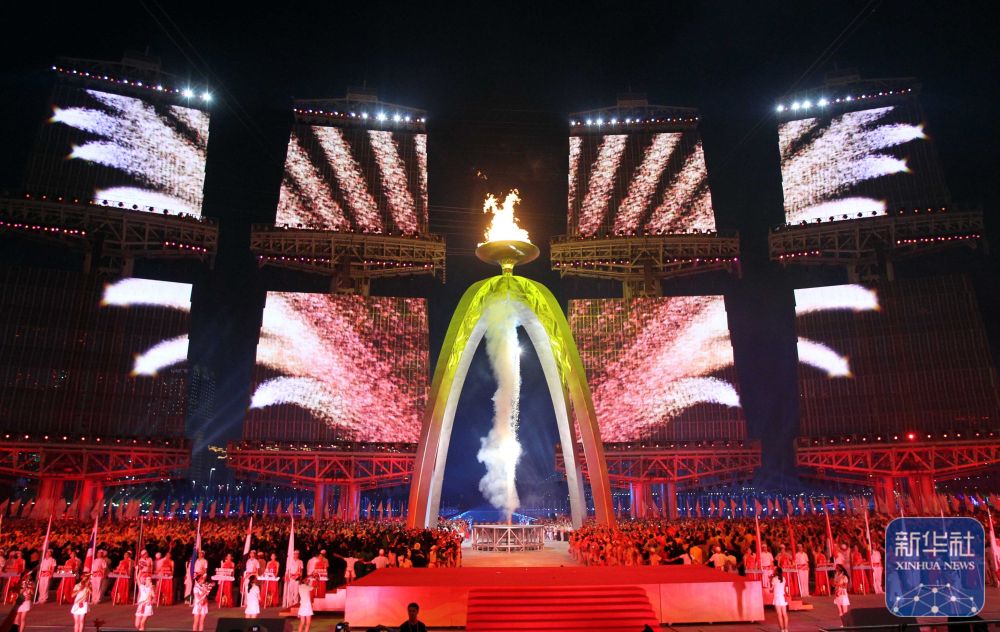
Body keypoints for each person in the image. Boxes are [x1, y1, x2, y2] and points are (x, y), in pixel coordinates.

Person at [770, 567, 789, 632]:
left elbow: (771, 589)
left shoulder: (774, 579)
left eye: (774, 571)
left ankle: (782, 630)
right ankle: (786, 629)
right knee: (785, 614)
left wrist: (770, 580)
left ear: (776, 572)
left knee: (779, 615)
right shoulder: (783, 578)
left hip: (777, 597)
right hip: (783, 597)